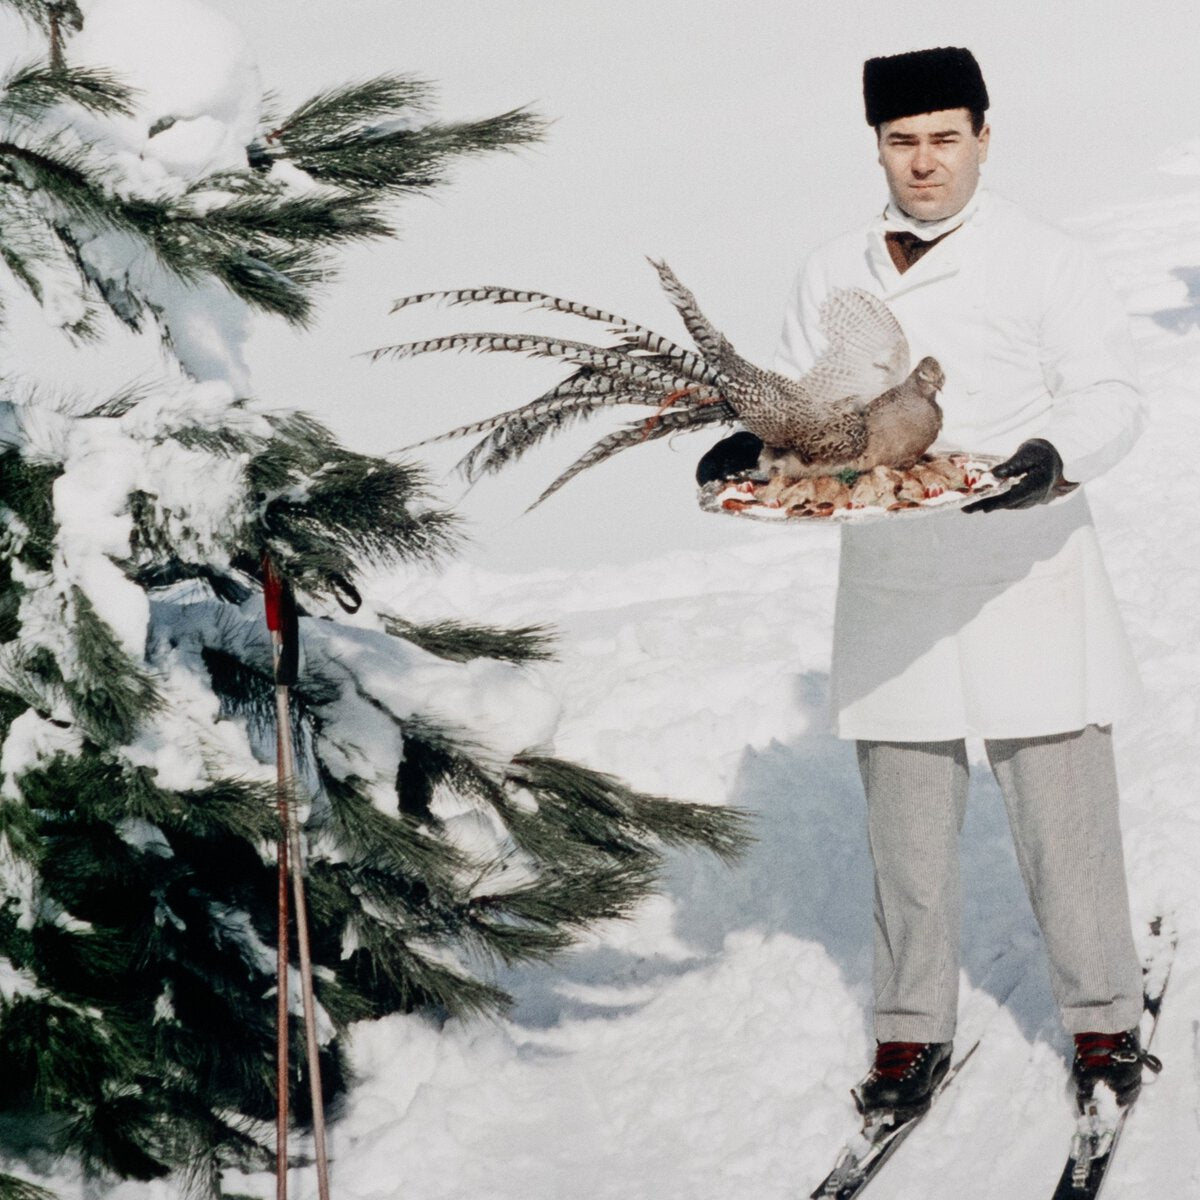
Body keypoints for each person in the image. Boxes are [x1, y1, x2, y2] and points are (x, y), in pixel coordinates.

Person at [698, 46, 1160, 1119]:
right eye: (903, 142)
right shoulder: (829, 269)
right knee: (906, 825)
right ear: (878, 148)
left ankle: (1100, 1017)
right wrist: (751, 448)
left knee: (1063, 815)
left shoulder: (1049, 259)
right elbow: (805, 410)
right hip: (895, 574)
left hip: (1025, 566)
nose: (924, 162)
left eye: (945, 138)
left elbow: (1113, 393)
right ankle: (910, 1032)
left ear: (984, 137)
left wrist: (1052, 457)